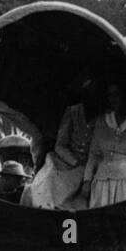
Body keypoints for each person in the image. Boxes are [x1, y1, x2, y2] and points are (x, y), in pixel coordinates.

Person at [26, 75, 96, 210]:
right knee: (50, 181)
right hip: (67, 163)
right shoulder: (73, 112)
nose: (90, 99)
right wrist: (75, 162)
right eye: (87, 93)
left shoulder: (101, 117)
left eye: (93, 95)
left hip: (90, 166)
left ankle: (72, 223)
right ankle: (49, 212)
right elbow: (60, 145)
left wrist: (87, 165)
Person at [82, 81, 126, 207]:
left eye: (117, 95)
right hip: (103, 186)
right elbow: (93, 155)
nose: (113, 99)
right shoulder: (102, 121)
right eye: (110, 95)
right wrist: (87, 180)